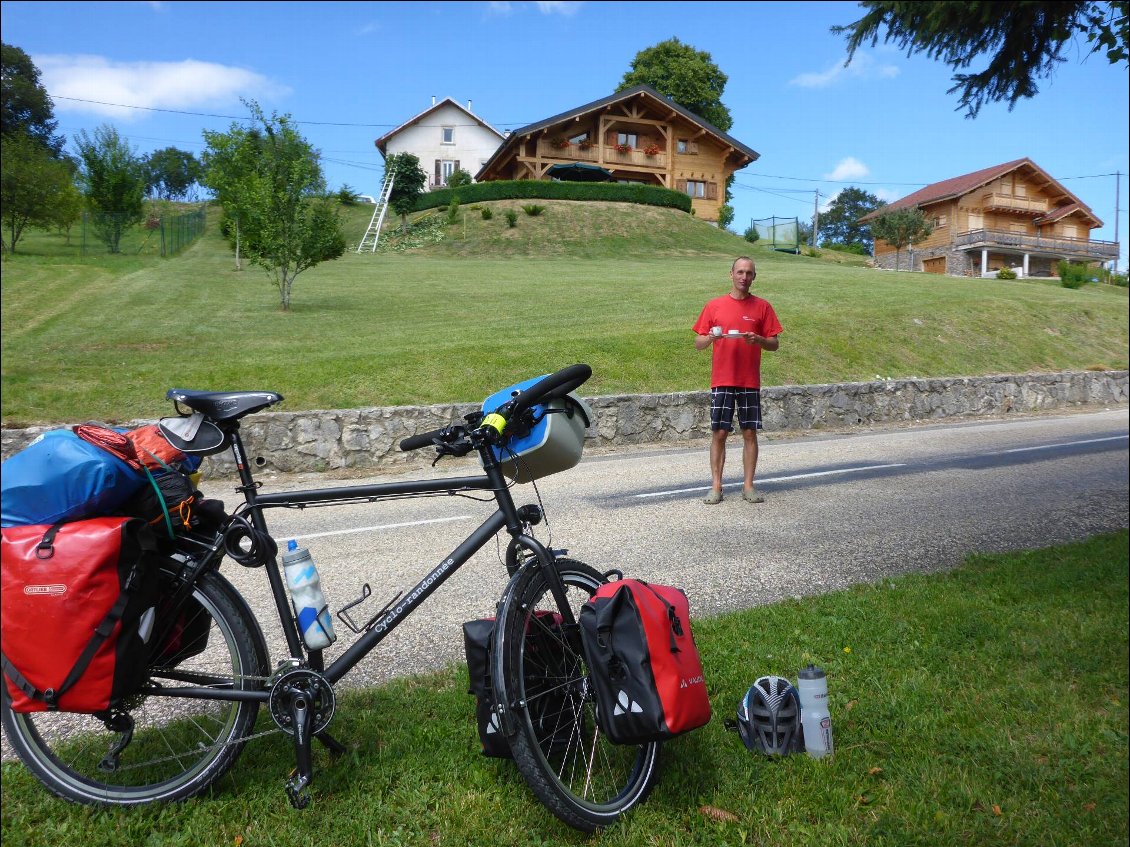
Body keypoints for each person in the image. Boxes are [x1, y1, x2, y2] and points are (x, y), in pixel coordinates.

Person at [692, 256, 782, 505]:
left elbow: (775, 344)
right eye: (740, 272)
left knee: (750, 432)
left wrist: (760, 340)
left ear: (754, 277)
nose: (744, 277)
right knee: (719, 433)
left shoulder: (763, 307)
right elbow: (698, 344)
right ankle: (716, 487)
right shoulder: (714, 306)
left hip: (749, 381)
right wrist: (709, 337)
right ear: (730, 274)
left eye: (749, 273)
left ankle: (748, 486)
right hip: (722, 379)